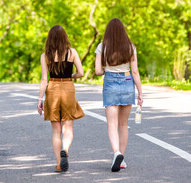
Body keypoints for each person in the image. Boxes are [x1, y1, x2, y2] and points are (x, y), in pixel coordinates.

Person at [95, 18, 143, 172]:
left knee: (112, 124)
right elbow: (135, 72)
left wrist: (107, 70)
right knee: (123, 124)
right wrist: (140, 93)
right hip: (128, 80)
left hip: (110, 83)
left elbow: (97, 71)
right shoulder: (130, 47)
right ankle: (122, 158)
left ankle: (116, 153)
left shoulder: (101, 47)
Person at [37, 25, 85, 172]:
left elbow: (44, 79)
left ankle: (59, 163)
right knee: (68, 127)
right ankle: (65, 149)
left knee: (56, 130)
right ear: (65, 37)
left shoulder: (45, 56)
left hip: (52, 89)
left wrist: (40, 99)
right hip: (68, 88)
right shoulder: (72, 53)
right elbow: (81, 73)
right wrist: (71, 76)